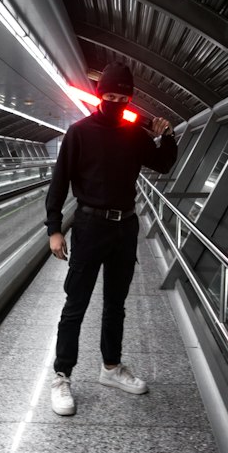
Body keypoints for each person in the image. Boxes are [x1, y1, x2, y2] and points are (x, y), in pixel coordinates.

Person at [45, 60, 177, 415]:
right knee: (76, 305)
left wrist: (168, 135)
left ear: (130, 98)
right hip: (89, 227)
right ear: (100, 95)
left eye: (123, 96)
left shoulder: (134, 134)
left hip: (125, 227)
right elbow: (58, 184)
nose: (116, 100)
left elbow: (163, 163)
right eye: (111, 95)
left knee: (116, 305)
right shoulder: (79, 132)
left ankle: (111, 368)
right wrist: (55, 228)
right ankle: (61, 376)